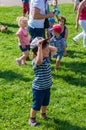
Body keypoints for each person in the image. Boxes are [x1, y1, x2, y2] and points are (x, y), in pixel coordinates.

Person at [29, 37, 57, 126]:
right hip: (38, 88)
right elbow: (39, 60)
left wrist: (46, 43)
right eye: (46, 49)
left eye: (48, 49)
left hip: (47, 86)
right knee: (36, 105)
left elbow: (55, 50)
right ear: (38, 52)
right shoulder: (36, 61)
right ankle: (32, 119)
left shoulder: (46, 58)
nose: (48, 51)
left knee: (45, 102)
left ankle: (43, 114)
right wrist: (40, 47)